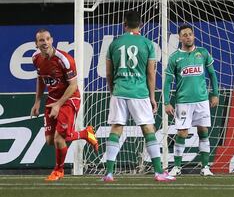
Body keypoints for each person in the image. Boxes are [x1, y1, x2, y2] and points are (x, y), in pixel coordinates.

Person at [102, 11, 176, 182]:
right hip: (139, 93)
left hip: (119, 91)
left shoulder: (114, 43)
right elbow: (151, 73)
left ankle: (109, 173)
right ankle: (158, 172)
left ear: (124, 24)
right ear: (141, 25)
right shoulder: (148, 44)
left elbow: (108, 73)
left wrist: (113, 90)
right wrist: (152, 97)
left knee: (116, 128)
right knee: (148, 129)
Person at [30, 29, 99, 181]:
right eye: (41, 40)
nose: (45, 42)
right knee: (49, 141)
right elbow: (41, 79)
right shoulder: (35, 58)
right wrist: (37, 101)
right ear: (36, 44)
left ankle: (58, 170)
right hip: (52, 99)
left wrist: (59, 105)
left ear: (52, 40)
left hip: (69, 99)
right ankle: (85, 133)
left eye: (48, 39)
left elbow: (73, 86)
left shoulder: (65, 59)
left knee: (59, 139)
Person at [164, 24, 219, 176]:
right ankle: (176, 167)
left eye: (190, 34)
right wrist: (166, 102)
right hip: (183, 101)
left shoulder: (203, 53)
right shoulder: (175, 57)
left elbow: (212, 75)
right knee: (182, 133)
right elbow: (168, 81)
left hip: (201, 101)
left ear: (193, 36)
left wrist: (215, 94)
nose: (188, 37)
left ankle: (205, 167)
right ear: (180, 38)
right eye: (185, 35)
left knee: (203, 131)